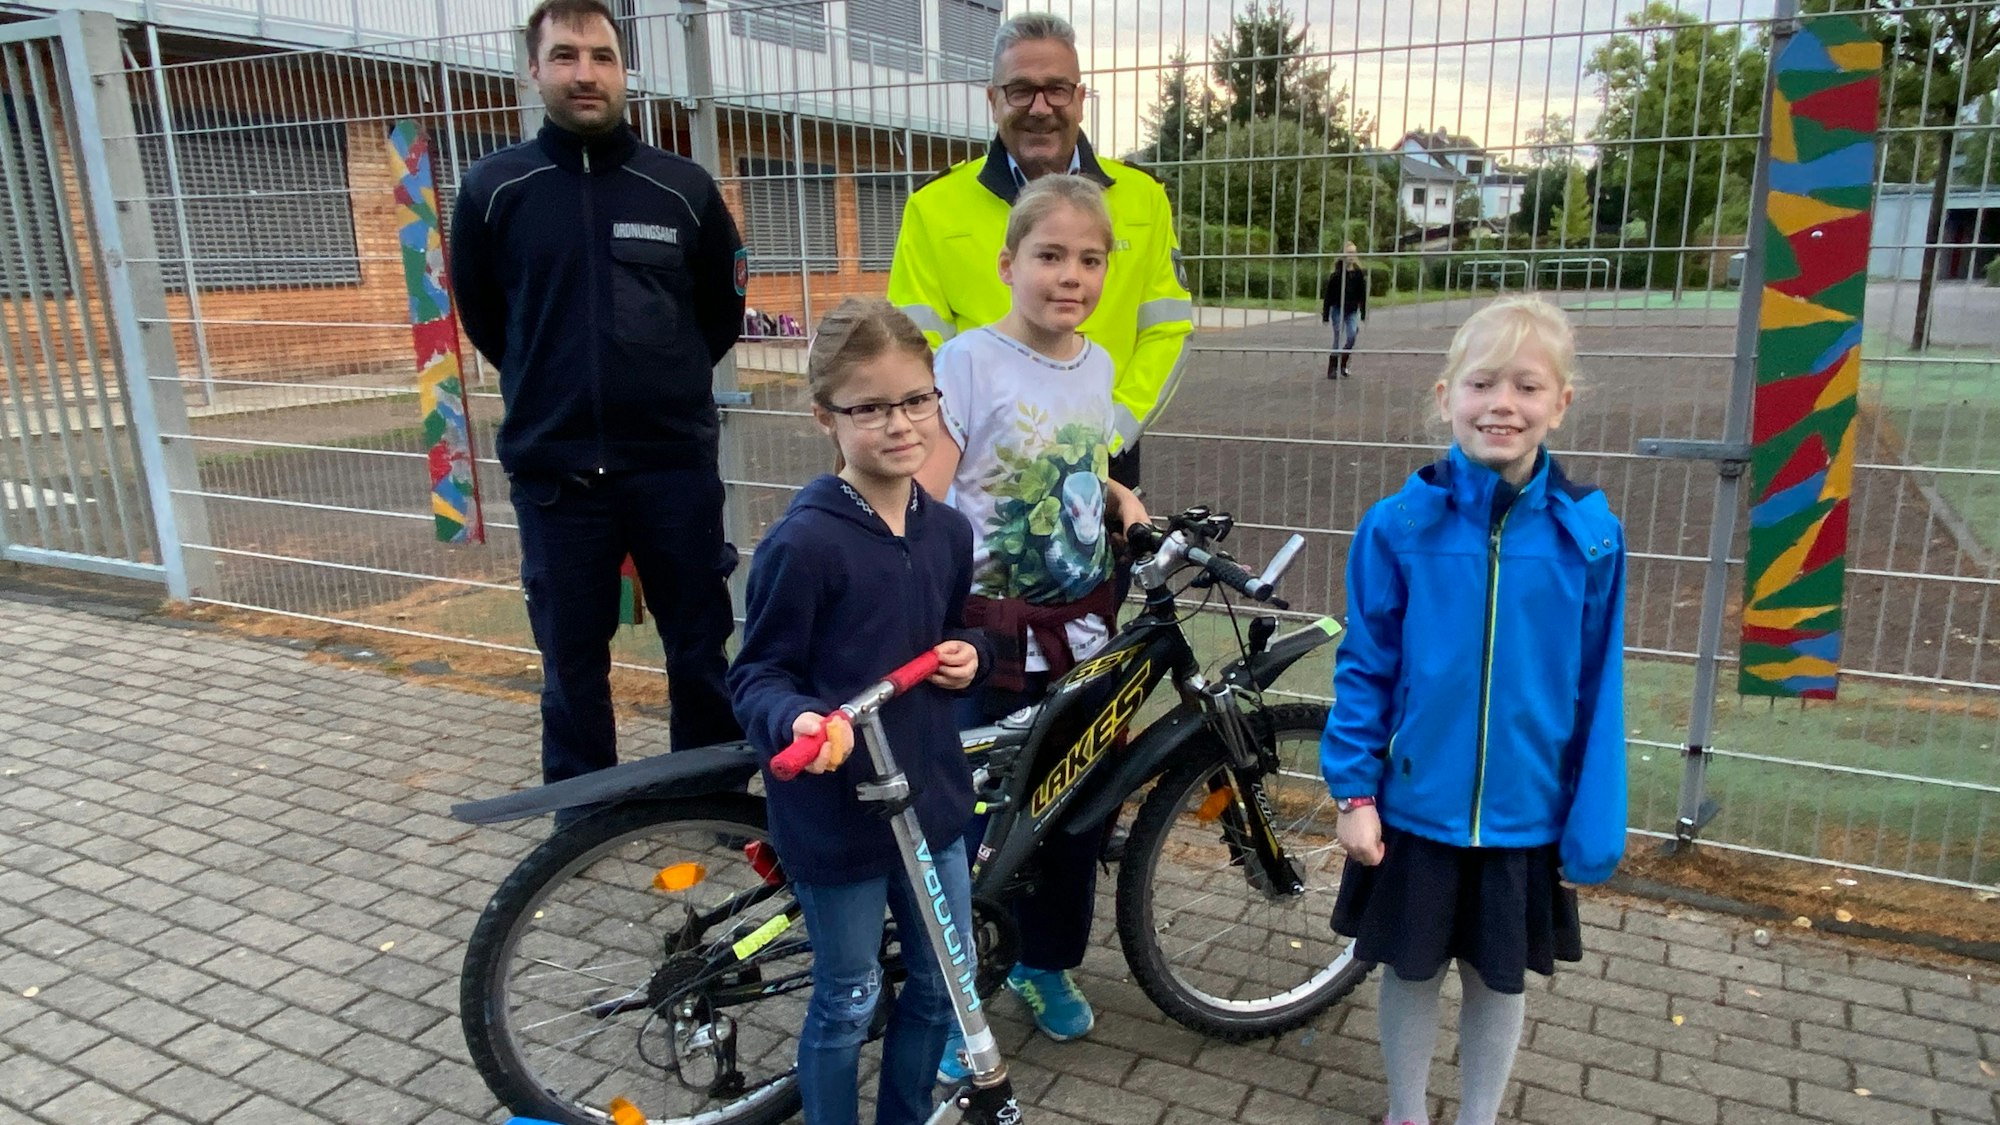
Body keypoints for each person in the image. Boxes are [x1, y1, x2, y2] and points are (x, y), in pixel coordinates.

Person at [1319, 296, 1627, 1125]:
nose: (1503, 404)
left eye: (1527, 386)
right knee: (1409, 968)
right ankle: (1407, 1112)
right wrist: (1354, 793)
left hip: (1526, 816)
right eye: (1483, 383)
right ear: (1447, 394)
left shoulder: (1590, 538)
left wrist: (1590, 819)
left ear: (1560, 402)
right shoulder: (1398, 527)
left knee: (1499, 977)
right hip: (1416, 808)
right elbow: (1365, 669)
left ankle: (1479, 1115)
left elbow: (1599, 687)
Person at [450, 0, 747, 787]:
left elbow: (719, 314)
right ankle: (584, 811)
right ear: (534, 70)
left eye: (602, 56)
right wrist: (551, 382)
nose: (586, 74)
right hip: (557, 474)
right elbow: (487, 318)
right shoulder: (495, 191)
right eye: (565, 56)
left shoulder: (681, 189)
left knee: (698, 646)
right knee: (571, 659)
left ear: (624, 71)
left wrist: (658, 382)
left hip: (672, 467)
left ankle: (709, 794)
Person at [727, 298, 988, 1125]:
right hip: (835, 811)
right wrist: (797, 718)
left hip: (932, 803)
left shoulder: (948, 532)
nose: (899, 423)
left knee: (944, 985)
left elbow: (953, 627)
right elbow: (758, 673)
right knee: (847, 997)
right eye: (869, 407)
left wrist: (967, 655)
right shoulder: (804, 543)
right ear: (825, 418)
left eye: (916, 399)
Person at [915, 175, 1148, 1078]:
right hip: (985, 640)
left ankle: (1043, 962)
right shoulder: (968, 361)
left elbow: (1076, 462)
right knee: (969, 825)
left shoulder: (1097, 364)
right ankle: (951, 994)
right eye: (1051, 256)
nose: (1071, 276)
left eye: (1090, 259)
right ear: (1008, 263)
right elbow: (931, 490)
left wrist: (1123, 497)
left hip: (1082, 636)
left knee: (1074, 812)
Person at [888, 11, 1192, 503]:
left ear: (1080, 98)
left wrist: (1107, 430)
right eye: (1020, 90)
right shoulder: (933, 206)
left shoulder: (1144, 200)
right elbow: (914, 343)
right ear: (993, 100)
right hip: (977, 463)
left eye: (1057, 89)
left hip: (1103, 450)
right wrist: (958, 434)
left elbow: (1167, 330)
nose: (1040, 107)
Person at [1321, 243, 1368, 379]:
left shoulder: (1358, 273)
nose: (1351, 256)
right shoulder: (1337, 274)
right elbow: (1328, 295)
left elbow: (1362, 294)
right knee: (1338, 337)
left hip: (1351, 310)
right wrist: (1325, 315)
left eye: (1354, 252)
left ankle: (1343, 362)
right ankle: (1332, 367)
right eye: (1349, 253)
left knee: (1352, 335)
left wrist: (1363, 312)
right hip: (1337, 309)